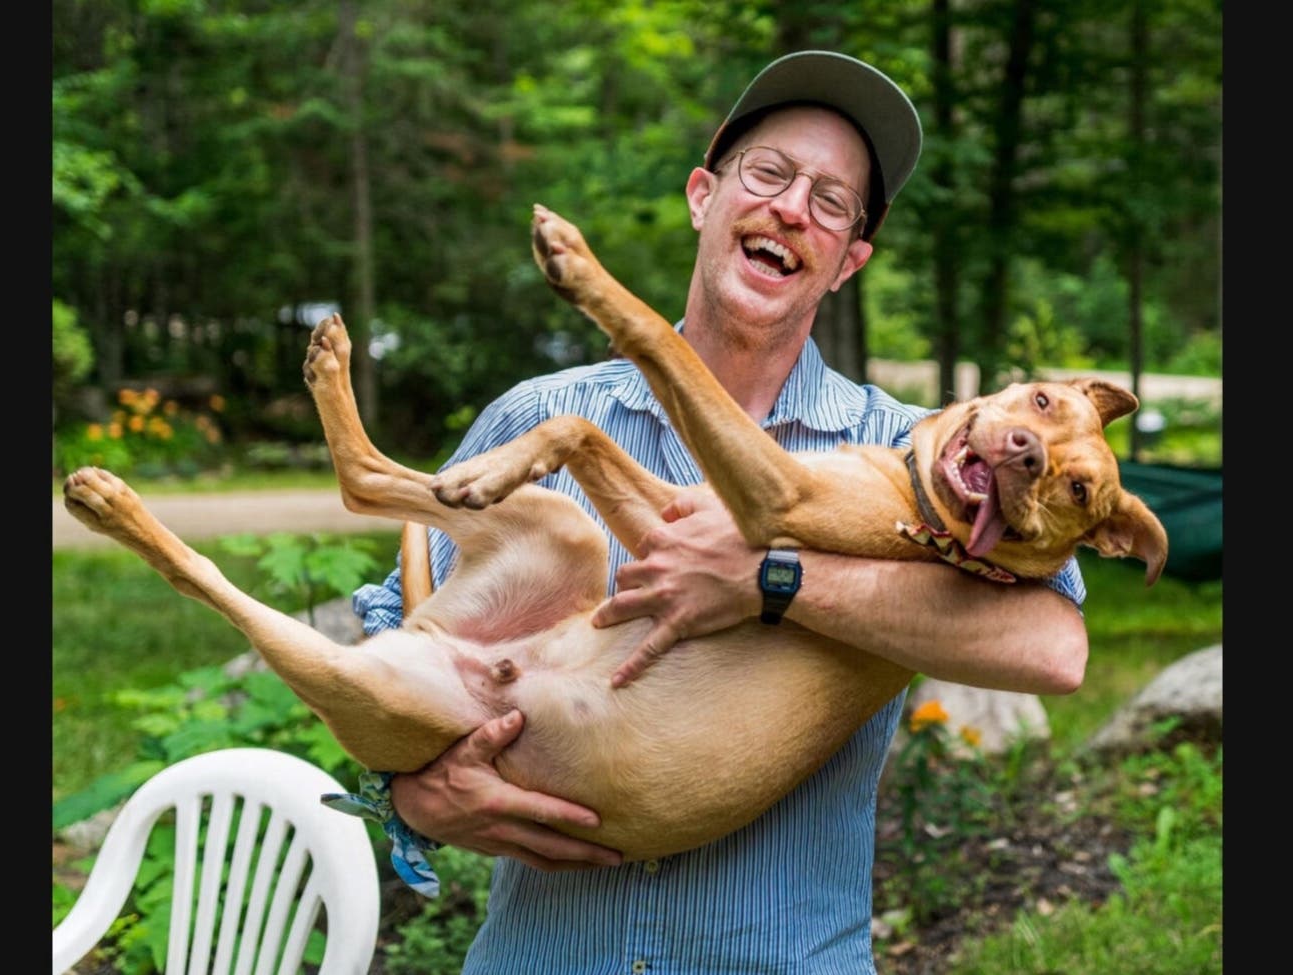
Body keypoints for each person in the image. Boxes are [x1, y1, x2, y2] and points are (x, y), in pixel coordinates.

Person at [339, 50, 1088, 974]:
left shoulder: (924, 457)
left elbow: (1054, 647)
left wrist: (774, 580)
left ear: (850, 259)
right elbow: (396, 648)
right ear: (704, 195)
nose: (788, 209)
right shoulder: (537, 417)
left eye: (829, 200)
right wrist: (413, 796)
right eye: (768, 174)